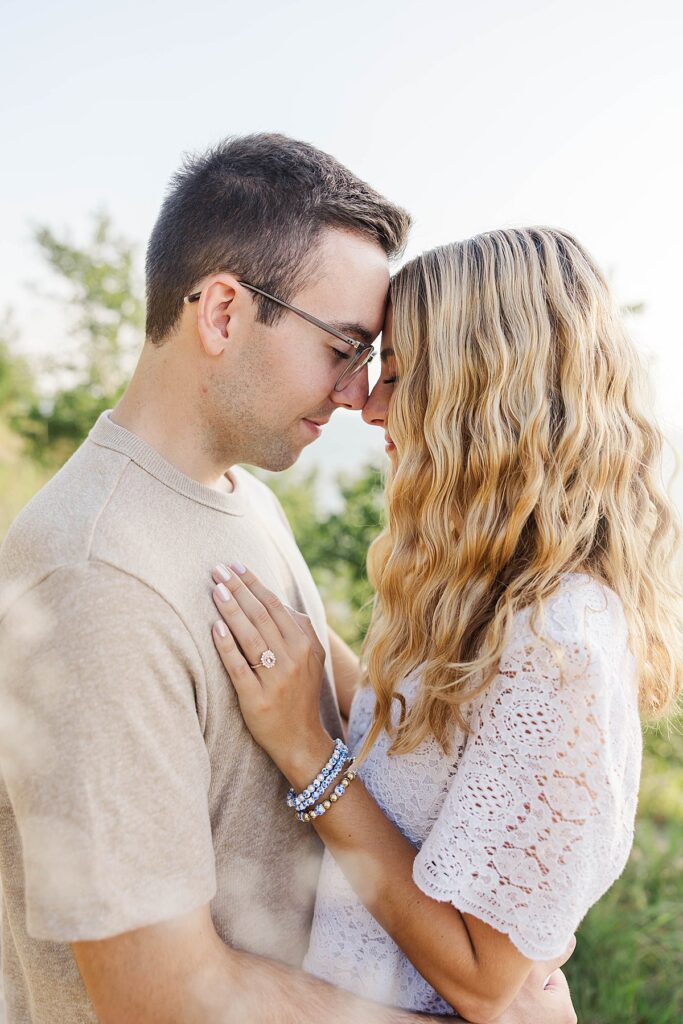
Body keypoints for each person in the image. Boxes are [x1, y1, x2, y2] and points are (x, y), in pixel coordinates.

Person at [0, 140, 575, 1024]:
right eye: (343, 347)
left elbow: (371, 723)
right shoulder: (92, 578)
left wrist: (522, 905)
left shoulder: (239, 498)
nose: (359, 392)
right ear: (224, 313)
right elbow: (160, 996)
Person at [207, 229, 683, 1019]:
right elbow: (433, 753)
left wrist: (308, 754)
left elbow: (479, 977)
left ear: (484, 394)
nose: (367, 402)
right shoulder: (485, 588)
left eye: (397, 374)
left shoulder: (559, 639)